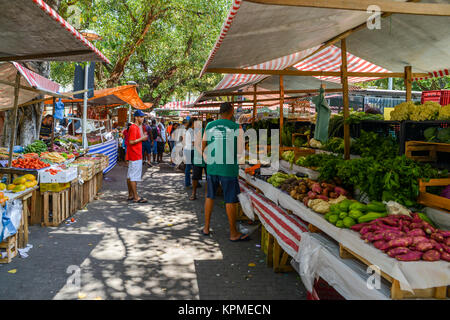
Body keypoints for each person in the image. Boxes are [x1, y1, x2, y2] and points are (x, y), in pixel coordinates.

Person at [202, 102, 247, 241]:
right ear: (232, 111)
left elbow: (203, 145)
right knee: (230, 200)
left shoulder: (210, 125)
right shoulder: (236, 127)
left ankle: (206, 227)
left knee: (210, 196)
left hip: (213, 166)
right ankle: (233, 233)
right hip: (228, 168)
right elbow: (240, 151)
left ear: (220, 112)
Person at [126, 110, 148, 204]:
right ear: (136, 117)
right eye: (141, 117)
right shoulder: (133, 127)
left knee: (130, 176)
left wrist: (142, 135)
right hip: (135, 155)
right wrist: (142, 139)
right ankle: (136, 197)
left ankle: (131, 195)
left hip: (134, 155)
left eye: (143, 117)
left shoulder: (136, 127)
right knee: (133, 177)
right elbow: (131, 142)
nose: (142, 118)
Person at [190, 119, 213, 200]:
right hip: (199, 157)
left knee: (208, 177)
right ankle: (194, 193)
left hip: (208, 158)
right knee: (195, 177)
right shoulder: (201, 132)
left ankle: (207, 194)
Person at [183, 118, 195, 188]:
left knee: (188, 167)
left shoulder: (187, 130)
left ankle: (188, 183)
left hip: (187, 149)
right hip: (191, 150)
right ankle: (189, 183)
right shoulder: (191, 131)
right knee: (191, 167)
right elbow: (193, 142)